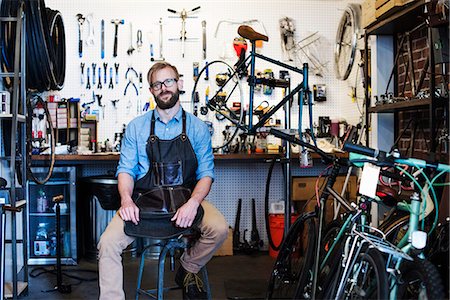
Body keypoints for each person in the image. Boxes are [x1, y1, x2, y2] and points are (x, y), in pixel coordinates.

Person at [98, 61, 229, 300]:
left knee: (219, 229)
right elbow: (125, 170)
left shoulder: (198, 128)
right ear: (151, 90)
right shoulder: (136, 128)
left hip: (185, 200)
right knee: (107, 243)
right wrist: (126, 200)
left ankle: (188, 266)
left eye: (168, 81)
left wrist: (193, 203)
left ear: (178, 83)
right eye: (157, 84)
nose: (164, 88)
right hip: (144, 202)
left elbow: (206, 174)